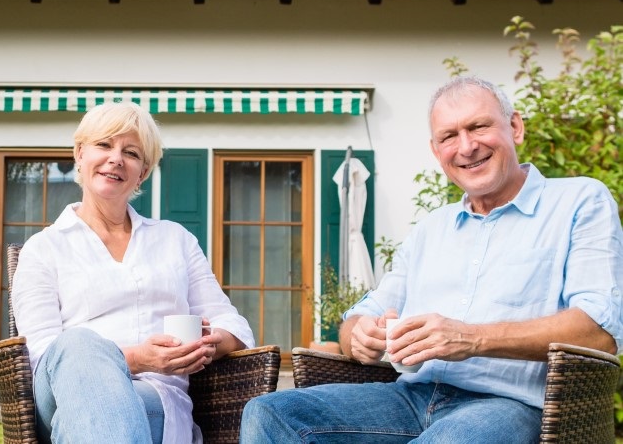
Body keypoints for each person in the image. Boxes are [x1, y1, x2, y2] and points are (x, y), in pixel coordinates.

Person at [239, 76, 623, 442]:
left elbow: (599, 332)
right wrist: (360, 336)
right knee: (270, 413)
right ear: (436, 150)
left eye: (479, 127)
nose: (467, 146)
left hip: (510, 405)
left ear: (515, 127)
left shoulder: (579, 201)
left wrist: (470, 338)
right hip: (410, 397)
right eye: (449, 136)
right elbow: (358, 317)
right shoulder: (430, 228)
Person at [12, 101, 255, 444]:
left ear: (142, 172)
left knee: (108, 412)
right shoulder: (44, 248)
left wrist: (202, 346)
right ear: (79, 154)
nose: (116, 158)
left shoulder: (176, 240)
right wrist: (139, 358)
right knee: (78, 344)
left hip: (157, 399)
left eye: (131, 152)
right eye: (104, 145)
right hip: (63, 395)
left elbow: (233, 325)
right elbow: (43, 357)